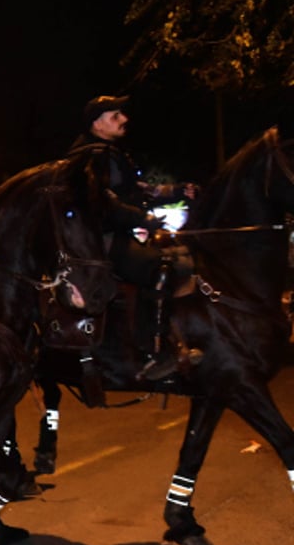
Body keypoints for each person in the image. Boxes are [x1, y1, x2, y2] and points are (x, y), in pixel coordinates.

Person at [66, 94, 201, 381]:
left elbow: (137, 191)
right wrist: (145, 219)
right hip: (97, 240)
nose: (124, 119)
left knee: (179, 258)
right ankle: (152, 352)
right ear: (97, 124)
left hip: (113, 233)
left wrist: (177, 191)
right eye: (115, 116)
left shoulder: (106, 153)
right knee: (160, 267)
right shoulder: (91, 157)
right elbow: (103, 202)